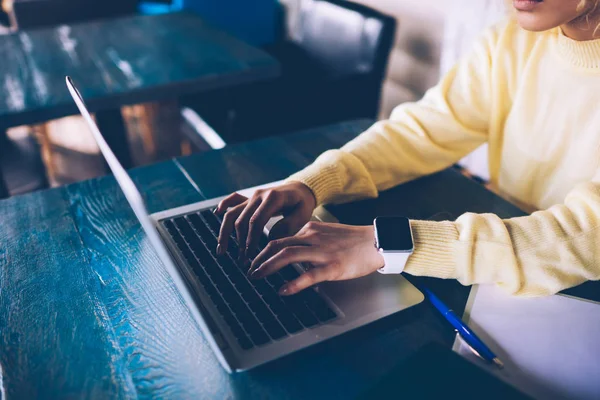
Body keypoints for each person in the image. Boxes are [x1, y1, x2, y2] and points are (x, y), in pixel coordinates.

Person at [215, 0, 600, 298]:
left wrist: (392, 243)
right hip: (504, 262)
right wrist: (312, 183)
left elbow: (587, 237)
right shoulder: (511, 40)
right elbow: (424, 130)